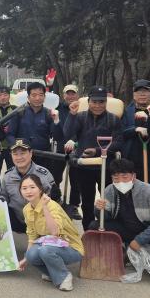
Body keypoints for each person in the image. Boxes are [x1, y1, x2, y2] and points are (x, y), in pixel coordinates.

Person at [63, 86, 123, 228]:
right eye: (94, 102)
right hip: (85, 166)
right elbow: (67, 133)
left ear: (106, 102)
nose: (97, 105)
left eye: (101, 102)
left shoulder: (113, 119)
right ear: (88, 101)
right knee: (87, 202)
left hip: (107, 166)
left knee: (108, 200)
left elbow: (119, 143)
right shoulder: (80, 117)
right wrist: (71, 114)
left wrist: (97, 151)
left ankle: (108, 228)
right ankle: (88, 231)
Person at [94, 158, 150, 264]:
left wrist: (139, 240)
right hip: (126, 230)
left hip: (147, 230)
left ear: (133, 176)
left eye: (125, 177)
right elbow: (105, 219)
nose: (120, 181)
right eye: (116, 178)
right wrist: (98, 209)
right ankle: (122, 253)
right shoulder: (109, 190)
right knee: (94, 226)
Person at [17, 174, 84, 291]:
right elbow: (32, 236)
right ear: (20, 191)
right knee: (31, 254)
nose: (28, 191)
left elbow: (54, 232)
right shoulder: (27, 209)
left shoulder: (51, 205)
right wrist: (25, 259)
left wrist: (44, 207)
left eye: (32, 187)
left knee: (45, 250)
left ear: (40, 189)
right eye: (24, 188)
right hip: (51, 244)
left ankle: (64, 277)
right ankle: (53, 272)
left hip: (71, 247)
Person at [0, 139, 59, 233]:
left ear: (31, 153)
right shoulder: (8, 176)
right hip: (16, 224)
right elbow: (3, 197)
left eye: (22, 153)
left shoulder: (44, 174)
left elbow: (55, 202)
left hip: (41, 224)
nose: (19, 157)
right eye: (15, 154)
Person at [6, 81, 60, 177]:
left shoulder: (49, 114)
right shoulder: (19, 113)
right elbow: (10, 134)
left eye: (40, 95)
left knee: (41, 186)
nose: (37, 98)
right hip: (22, 158)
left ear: (44, 97)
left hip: (43, 158)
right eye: (34, 95)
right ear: (28, 97)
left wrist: (56, 121)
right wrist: (17, 149)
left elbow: (58, 137)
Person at [54, 84, 82, 214]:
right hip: (60, 146)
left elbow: (83, 128)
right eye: (68, 94)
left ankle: (74, 205)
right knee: (56, 176)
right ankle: (56, 199)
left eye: (73, 93)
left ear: (77, 95)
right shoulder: (57, 108)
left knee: (75, 179)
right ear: (63, 95)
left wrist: (75, 141)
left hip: (77, 147)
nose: (70, 96)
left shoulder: (83, 108)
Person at [0, 86, 17, 174]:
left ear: (9, 96)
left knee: (13, 174)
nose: (3, 97)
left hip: (12, 148)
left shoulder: (16, 109)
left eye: (5, 95)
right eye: (0, 95)